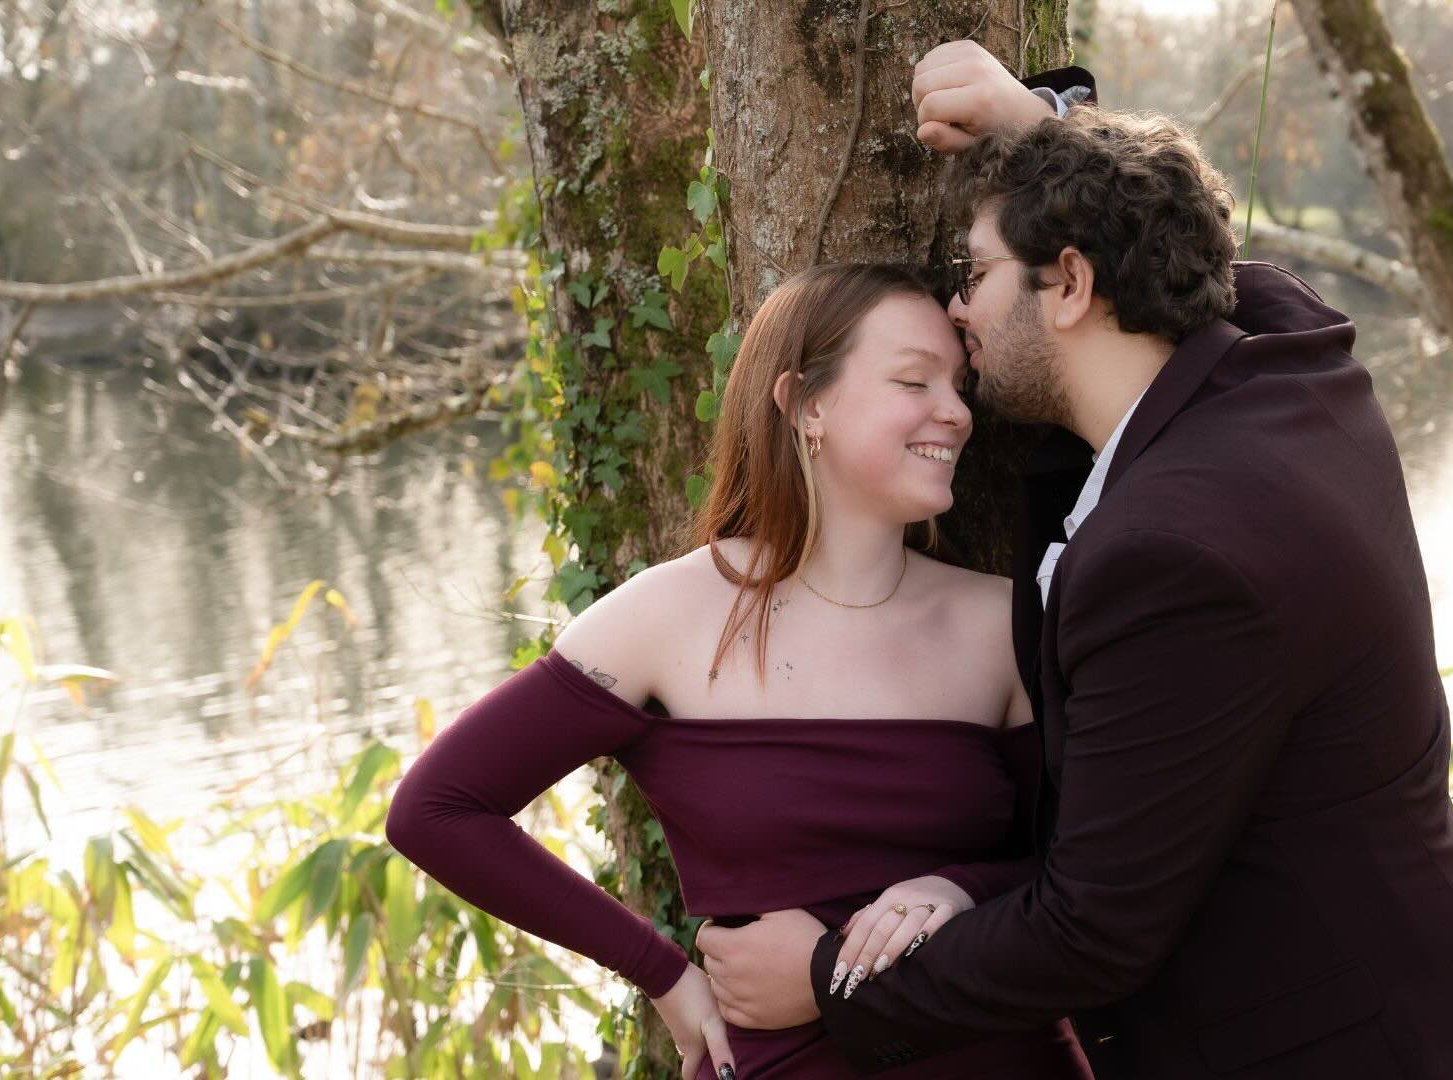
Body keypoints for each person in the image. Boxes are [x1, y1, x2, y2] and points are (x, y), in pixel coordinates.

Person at [692, 42, 1453, 1079]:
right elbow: (1245, 283)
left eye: (974, 274)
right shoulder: (1307, 387)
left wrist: (829, 978)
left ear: (1070, 283)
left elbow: (1091, 930)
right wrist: (1046, 136)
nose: (956, 309)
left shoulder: (1168, 557)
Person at [383, 262, 1095, 1080]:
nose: (958, 413)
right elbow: (437, 810)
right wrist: (661, 973)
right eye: (914, 380)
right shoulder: (664, 618)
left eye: (959, 386)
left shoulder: (1005, 620)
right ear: (805, 404)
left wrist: (960, 888)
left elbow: (1092, 869)